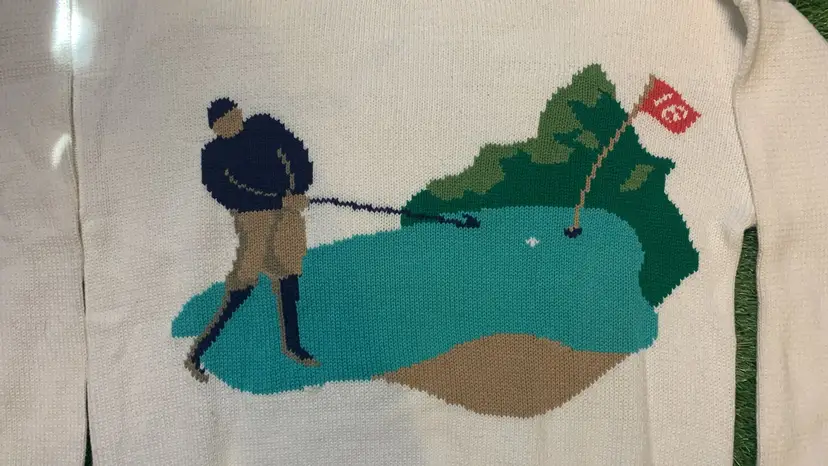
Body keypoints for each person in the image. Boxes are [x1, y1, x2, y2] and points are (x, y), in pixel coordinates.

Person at [185, 98, 318, 382]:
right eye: (223, 123)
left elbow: (295, 152)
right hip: (253, 219)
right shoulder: (213, 156)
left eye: (232, 116)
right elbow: (230, 194)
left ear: (239, 113)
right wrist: (278, 200)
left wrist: (299, 188)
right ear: (215, 129)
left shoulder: (263, 126)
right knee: (244, 282)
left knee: (288, 274)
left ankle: (293, 345)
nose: (230, 125)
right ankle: (201, 349)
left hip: (287, 213)